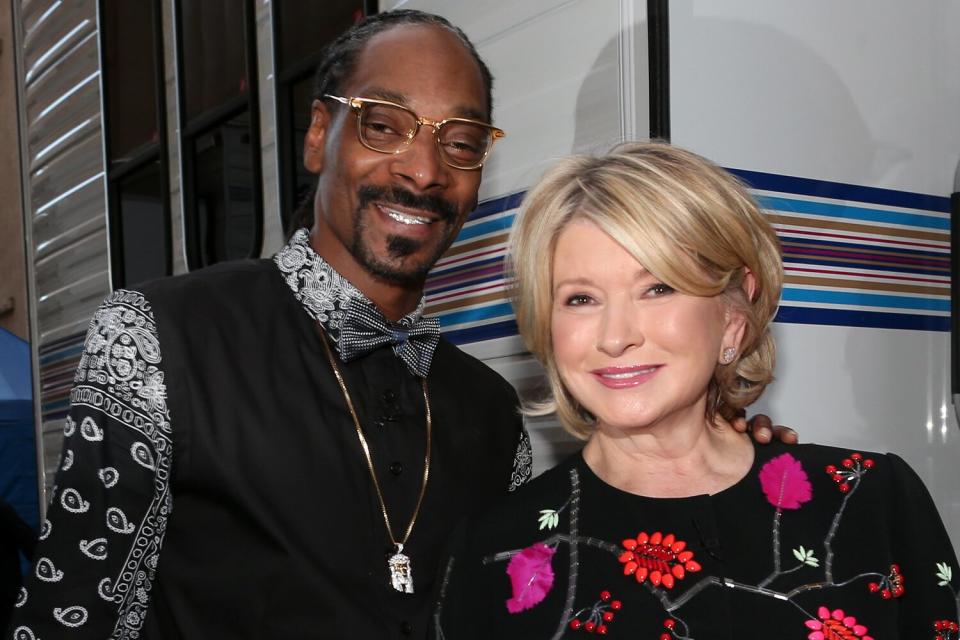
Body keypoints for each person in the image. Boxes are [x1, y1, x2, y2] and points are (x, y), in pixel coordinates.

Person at [7, 12, 793, 640]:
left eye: (458, 142)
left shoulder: (492, 412)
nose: (423, 171)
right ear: (320, 135)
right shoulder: (158, 335)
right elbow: (71, 614)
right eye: (384, 125)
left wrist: (722, 463)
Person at [432, 142, 959, 639]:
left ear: (733, 314)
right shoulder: (495, 553)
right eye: (579, 299)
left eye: (657, 287)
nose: (616, 337)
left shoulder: (871, 499)